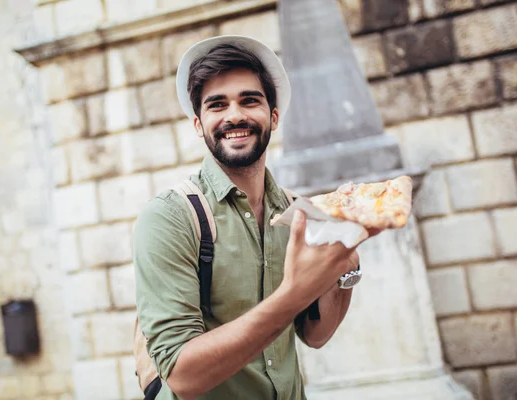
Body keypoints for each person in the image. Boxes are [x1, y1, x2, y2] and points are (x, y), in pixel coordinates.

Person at [134, 35, 365, 400]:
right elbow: (182, 376)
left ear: (273, 116)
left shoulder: (298, 213)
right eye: (217, 105)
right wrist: (292, 295)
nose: (235, 115)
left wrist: (346, 267)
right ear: (198, 124)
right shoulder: (170, 216)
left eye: (250, 100)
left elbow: (316, 335)